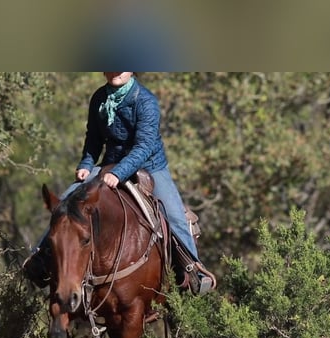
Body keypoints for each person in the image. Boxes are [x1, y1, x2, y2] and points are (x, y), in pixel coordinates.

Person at [23, 72, 214, 294]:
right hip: (111, 163)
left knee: (174, 215)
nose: (115, 72)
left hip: (150, 167)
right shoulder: (98, 98)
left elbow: (144, 146)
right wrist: (86, 164)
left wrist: (119, 173)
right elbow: (93, 138)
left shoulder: (146, 101)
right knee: (66, 202)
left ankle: (194, 271)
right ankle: (40, 258)